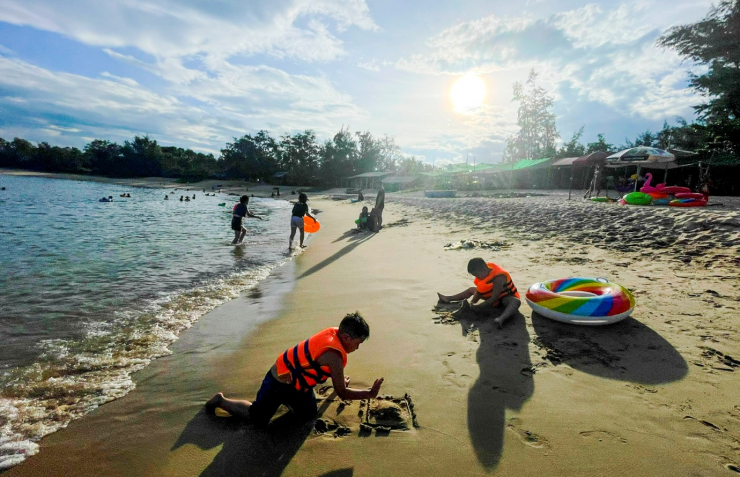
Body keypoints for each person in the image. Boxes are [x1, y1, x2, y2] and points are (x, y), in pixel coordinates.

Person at [205, 312, 384, 428]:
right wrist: (370, 393)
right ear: (345, 337)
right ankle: (221, 400)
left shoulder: (335, 336)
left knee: (308, 414)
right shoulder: (334, 356)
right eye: (358, 343)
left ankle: (289, 402)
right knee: (257, 419)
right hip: (278, 382)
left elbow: (316, 365)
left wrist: (338, 380)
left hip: (298, 385)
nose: (357, 348)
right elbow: (342, 393)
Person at [437, 258, 521, 329]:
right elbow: (479, 292)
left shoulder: (499, 278)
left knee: (516, 301)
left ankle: (501, 319)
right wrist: (471, 304)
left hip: (504, 299)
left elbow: (494, 298)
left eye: (477, 275)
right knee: (471, 290)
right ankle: (448, 298)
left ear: (484, 269)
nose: (476, 277)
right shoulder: (485, 273)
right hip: (490, 296)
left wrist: (478, 307)